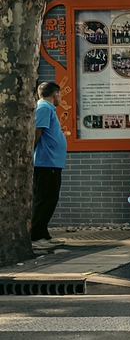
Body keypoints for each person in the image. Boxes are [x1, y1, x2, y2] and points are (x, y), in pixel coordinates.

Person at [31, 81, 67, 250]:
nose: (60, 98)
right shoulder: (44, 107)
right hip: (45, 162)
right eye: (60, 95)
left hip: (51, 162)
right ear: (55, 94)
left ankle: (43, 233)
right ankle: (36, 236)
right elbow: (37, 131)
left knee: (50, 199)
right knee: (44, 200)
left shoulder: (48, 108)